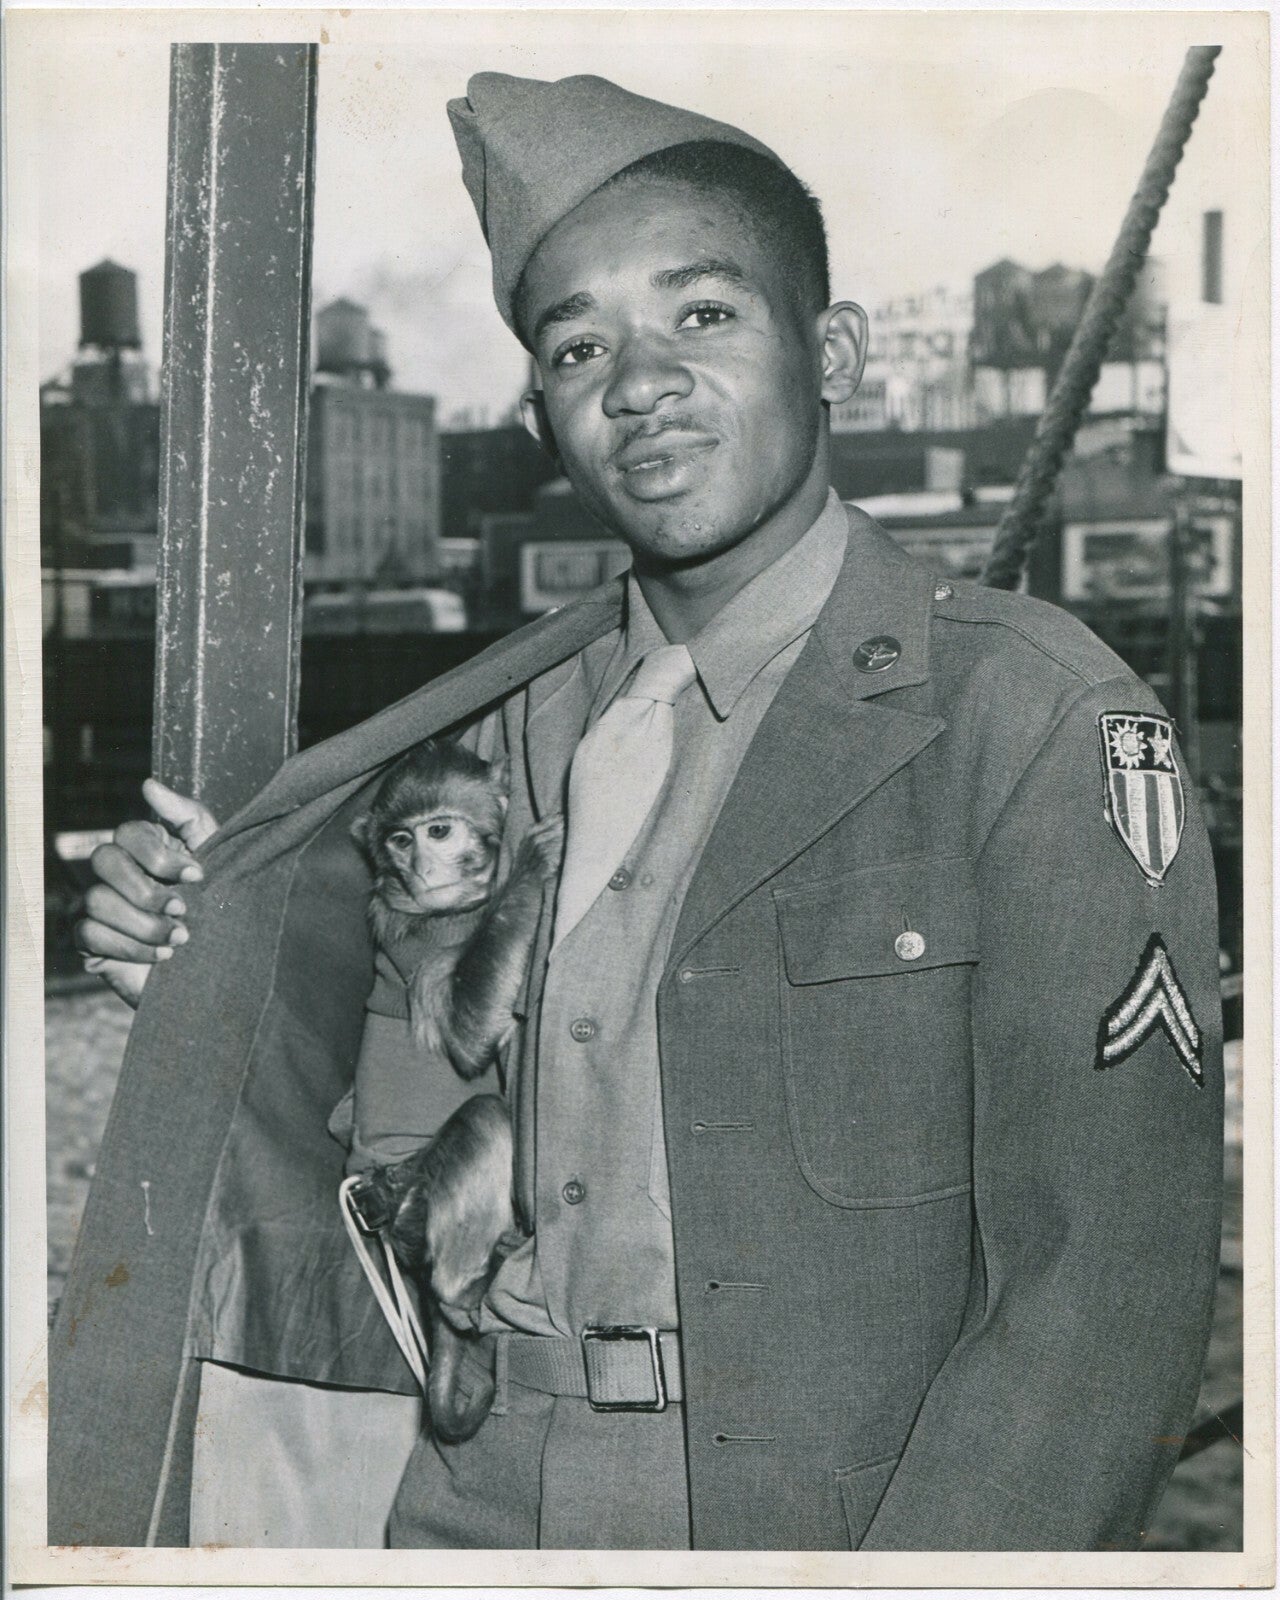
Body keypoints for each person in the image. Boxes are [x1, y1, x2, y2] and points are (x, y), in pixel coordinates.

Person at [57, 72, 1223, 1552]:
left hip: (816, 1529)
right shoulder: (492, 740)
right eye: (580, 345)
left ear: (834, 353)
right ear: (543, 419)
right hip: (466, 1499)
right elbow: (374, 1082)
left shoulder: (1025, 715)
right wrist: (193, 942)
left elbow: (1095, 1308)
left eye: (704, 314)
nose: (640, 382)